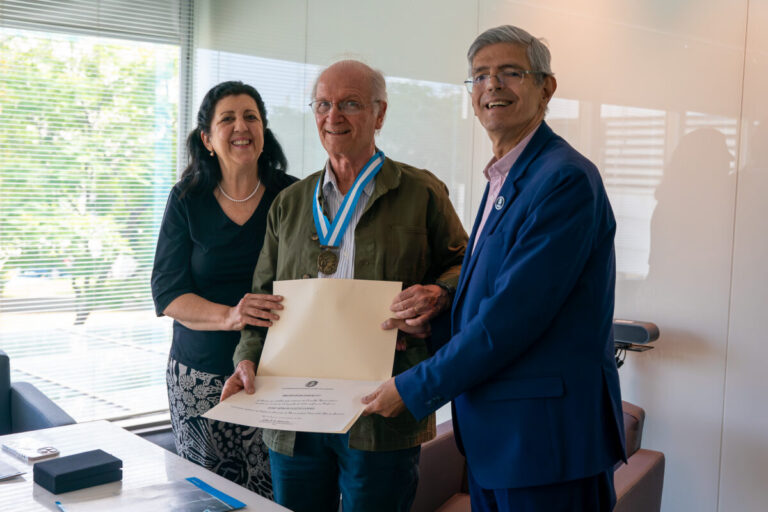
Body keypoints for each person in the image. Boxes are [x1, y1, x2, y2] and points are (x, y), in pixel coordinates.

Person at [363, 25, 626, 511]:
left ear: (546, 87)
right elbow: (489, 294)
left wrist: (412, 386)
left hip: (546, 445)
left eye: (510, 72)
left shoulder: (563, 179)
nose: (491, 86)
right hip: (500, 440)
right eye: (480, 76)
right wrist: (430, 325)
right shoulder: (507, 174)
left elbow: (512, 316)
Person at [220, 60, 467, 512]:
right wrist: (246, 360)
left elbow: (467, 267)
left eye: (350, 104)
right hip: (292, 409)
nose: (334, 117)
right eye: (324, 104)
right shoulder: (291, 203)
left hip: (379, 405)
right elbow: (261, 303)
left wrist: (441, 292)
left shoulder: (421, 192)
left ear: (380, 113)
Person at [151, 81, 297, 498]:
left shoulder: (293, 195)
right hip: (199, 379)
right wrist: (232, 315)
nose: (241, 126)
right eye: (227, 118)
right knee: (211, 500)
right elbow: (167, 292)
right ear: (207, 138)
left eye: (251, 116)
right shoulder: (186, 198)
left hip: (277, 375)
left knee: (277, 496)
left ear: (264, 130)